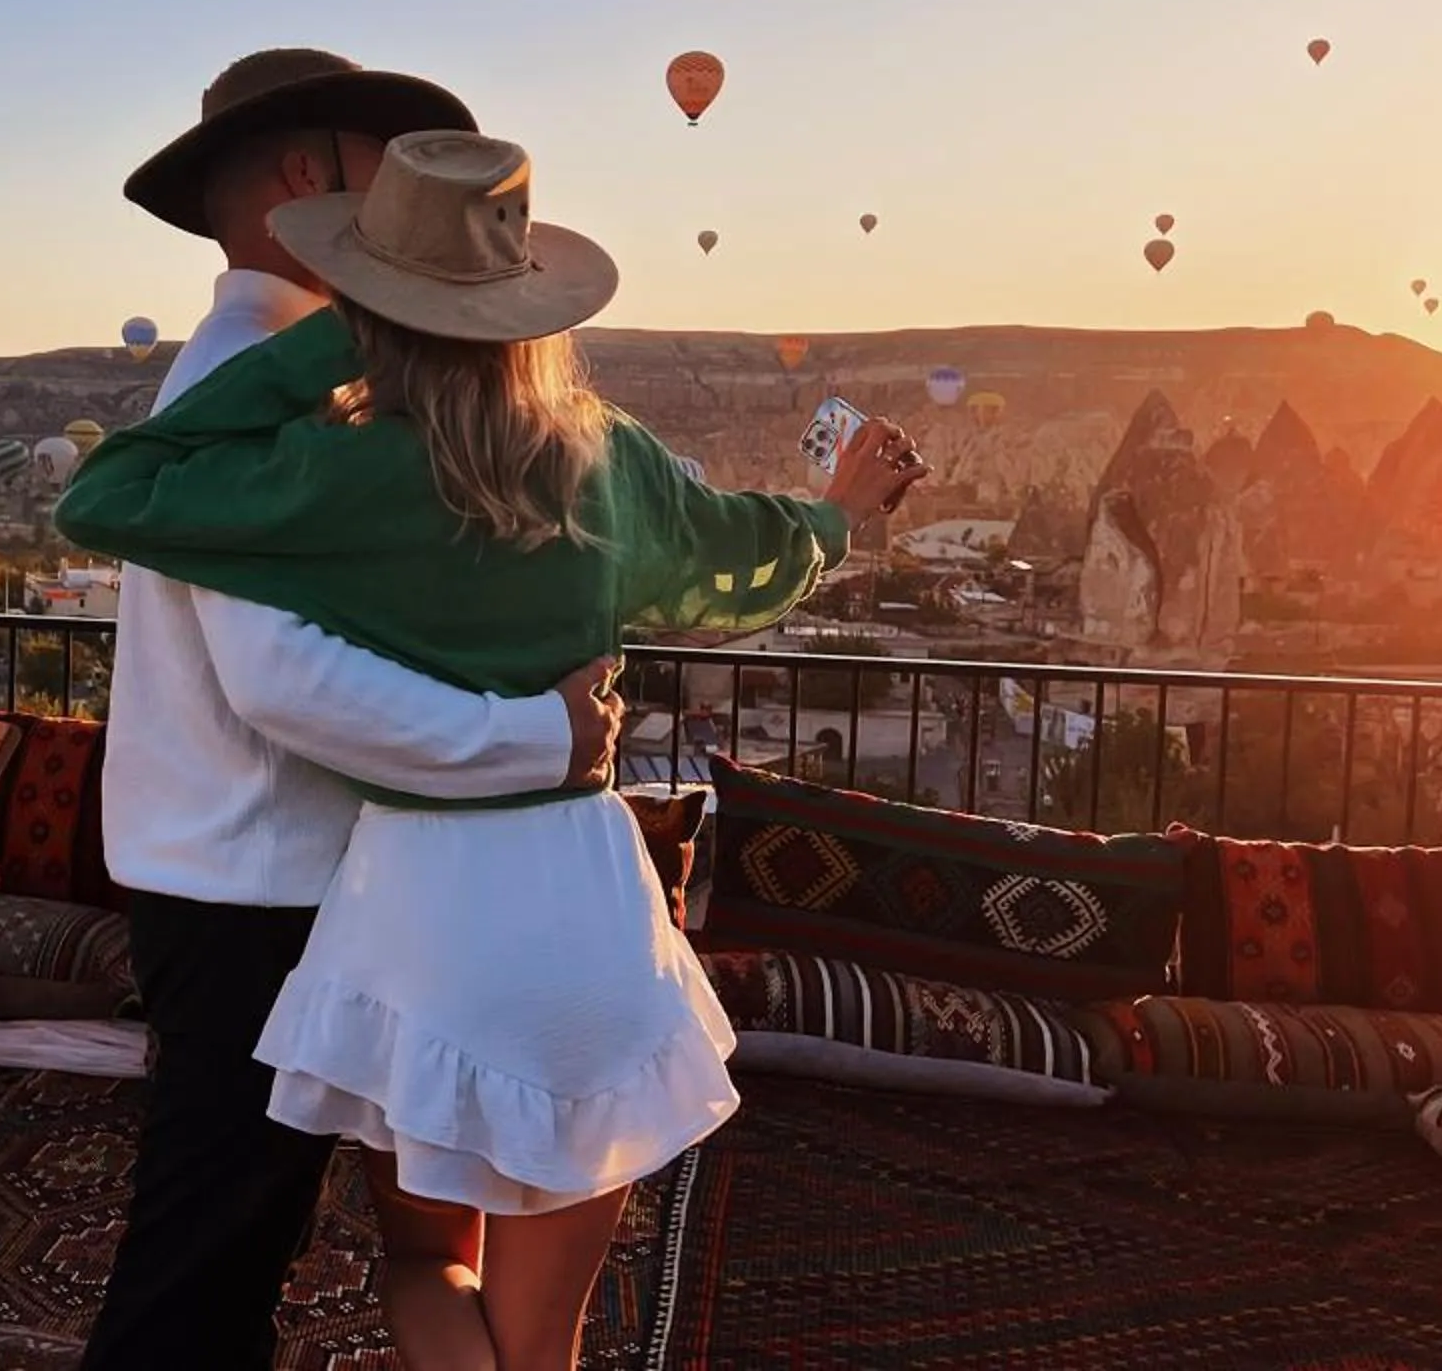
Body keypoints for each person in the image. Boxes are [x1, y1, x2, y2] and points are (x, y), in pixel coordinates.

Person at [60, 129, 926, 1369]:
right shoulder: (611, 464)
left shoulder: (335, 476)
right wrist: (837, 517)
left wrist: (344, 333)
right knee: (542, 1335)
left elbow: (107, 493)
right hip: (585, 906)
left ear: (373, 304)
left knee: (427, 1262)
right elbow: (744, 550)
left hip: (415, 918)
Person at [81, 51, 629, 1371]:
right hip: (251, 891)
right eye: (387, 171)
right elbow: (281, 676)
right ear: (306, 176)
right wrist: (540, 738)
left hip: (242, 875)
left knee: (237, 1241)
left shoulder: (253, 369)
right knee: (204, 1255)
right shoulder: (253, 376)